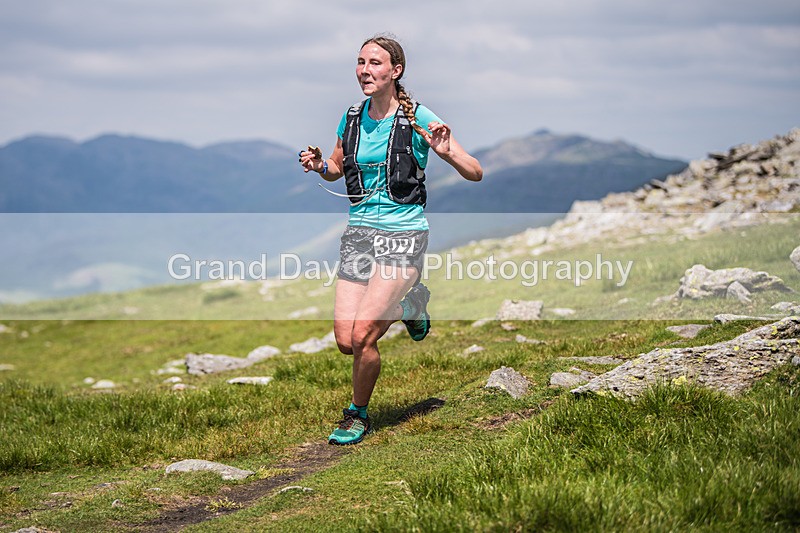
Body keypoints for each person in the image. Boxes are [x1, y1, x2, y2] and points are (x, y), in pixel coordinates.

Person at [299, 34, 482, 445]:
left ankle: (356, 414)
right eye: (360, 62)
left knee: (365, 334)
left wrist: (447, 150)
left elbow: (475, 171)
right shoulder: (351, 117)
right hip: (359, 234)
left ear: (396, 71)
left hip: (403, 234)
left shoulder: (419, 116)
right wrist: (318, 166)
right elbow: (336, 166)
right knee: (346, 341)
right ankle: (411, 304)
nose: (365, 70)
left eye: (375, 63)